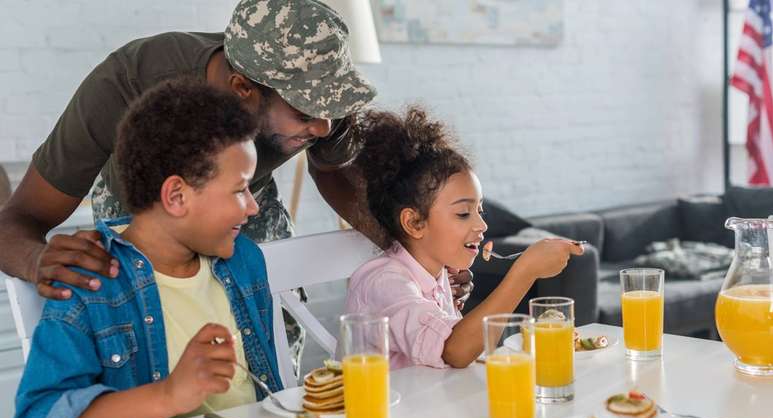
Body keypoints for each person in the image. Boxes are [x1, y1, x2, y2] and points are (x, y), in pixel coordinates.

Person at [0, 0, 474, 369]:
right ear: (243, 89)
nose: (326, 127)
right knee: (159, 341)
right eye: (306, 113)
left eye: (331, 110)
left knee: (273, 328)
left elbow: (330, 169)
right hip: (138, 206)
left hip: (254, 194)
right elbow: (17, 220)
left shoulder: (319, 103)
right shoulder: (125, 86)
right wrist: (37, 258)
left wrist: (413, 252)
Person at [13, 79, 284, 418]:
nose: (252, 207)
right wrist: (170, 394)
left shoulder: (243, 260)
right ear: (176, 196)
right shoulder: (90, 282)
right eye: (239, 189)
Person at [346, 107, 584, 369]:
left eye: (479, 210)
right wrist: (524, 272)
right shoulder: (385, 282)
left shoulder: (438, 275)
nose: (481, 225)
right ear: (414, 223)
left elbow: (462, 353)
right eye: (463, 213)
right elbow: (454, 351)